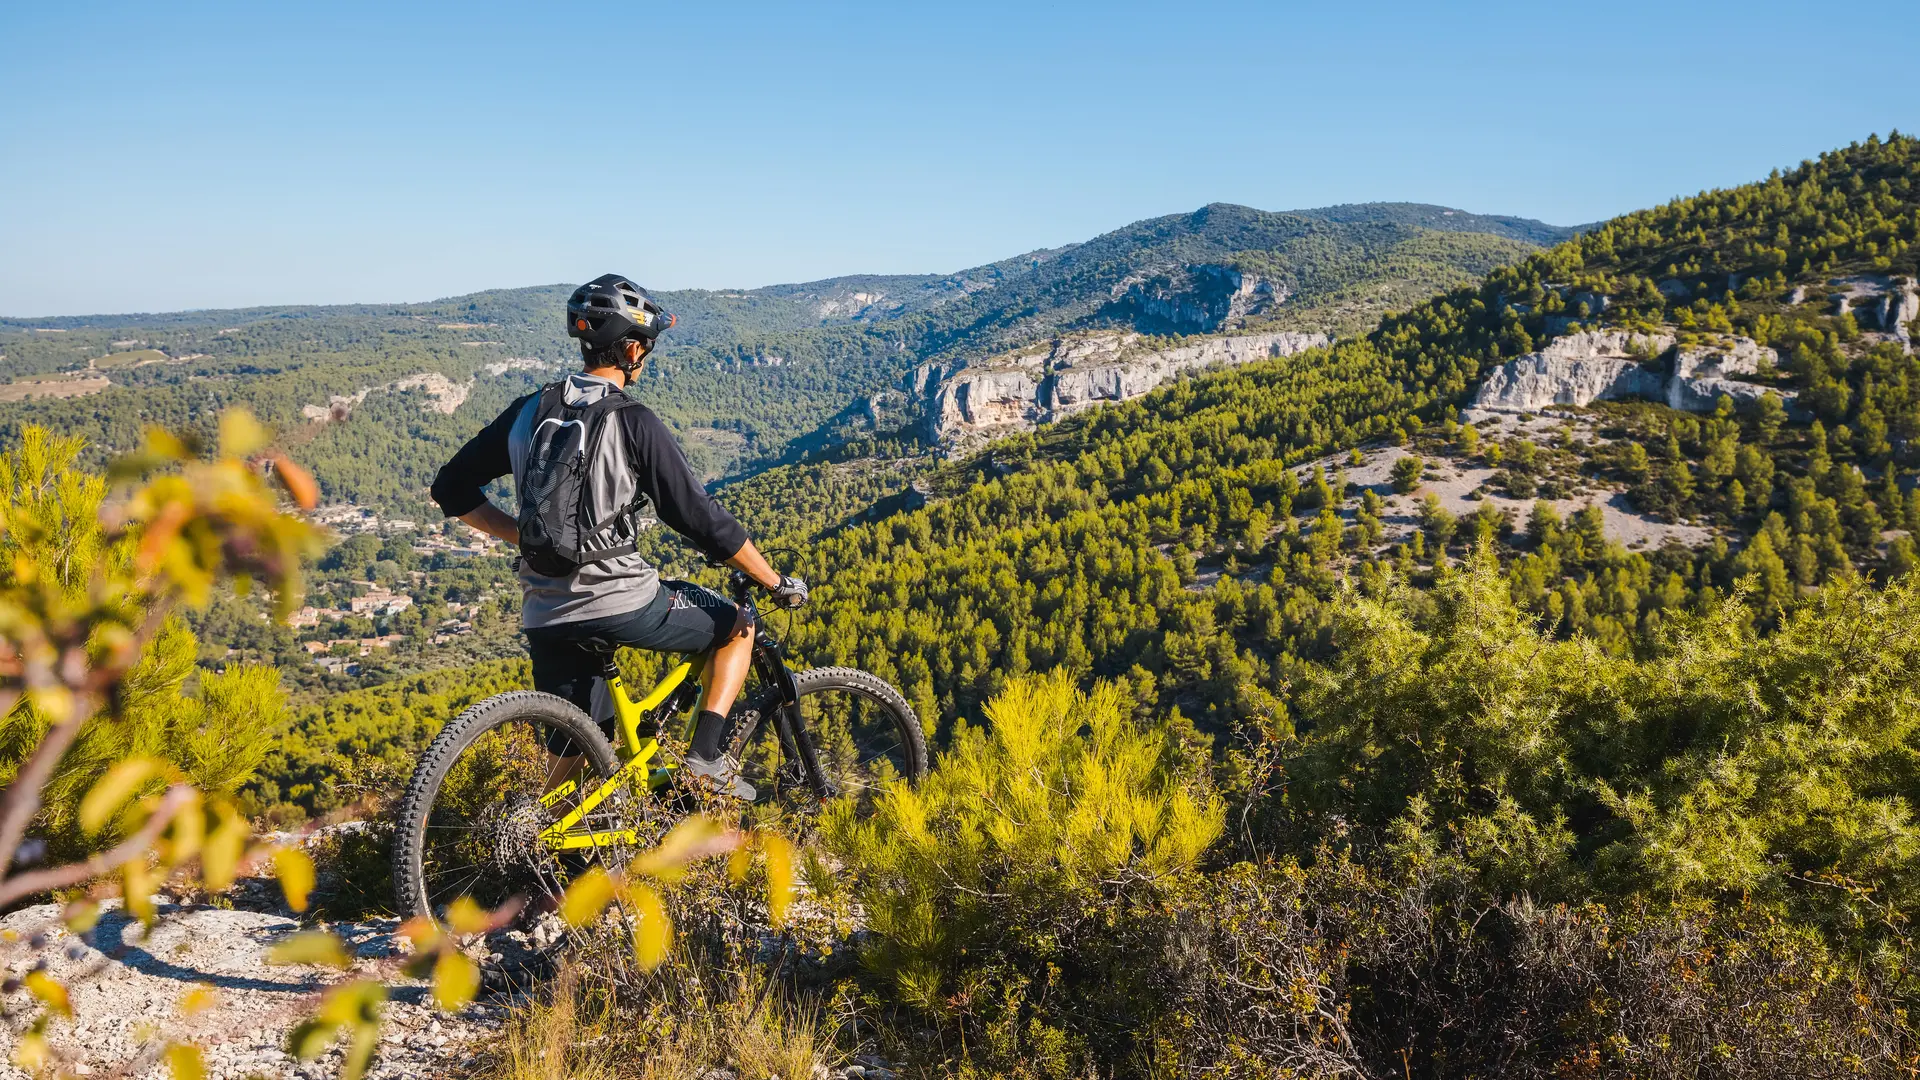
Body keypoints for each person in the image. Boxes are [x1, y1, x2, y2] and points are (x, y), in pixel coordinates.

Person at [429, 273, 807, 799]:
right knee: (737, 626)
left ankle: (528, 844)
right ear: (631, 348)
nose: (645, 357)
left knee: (575, 755)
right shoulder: (634, 421)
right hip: (621, 600)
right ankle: (704, 759)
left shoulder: (527, 411)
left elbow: (450, 487)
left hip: (545, 609)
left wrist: (527, 538)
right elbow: (699, 518)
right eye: (645, 347)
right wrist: (772, 581)